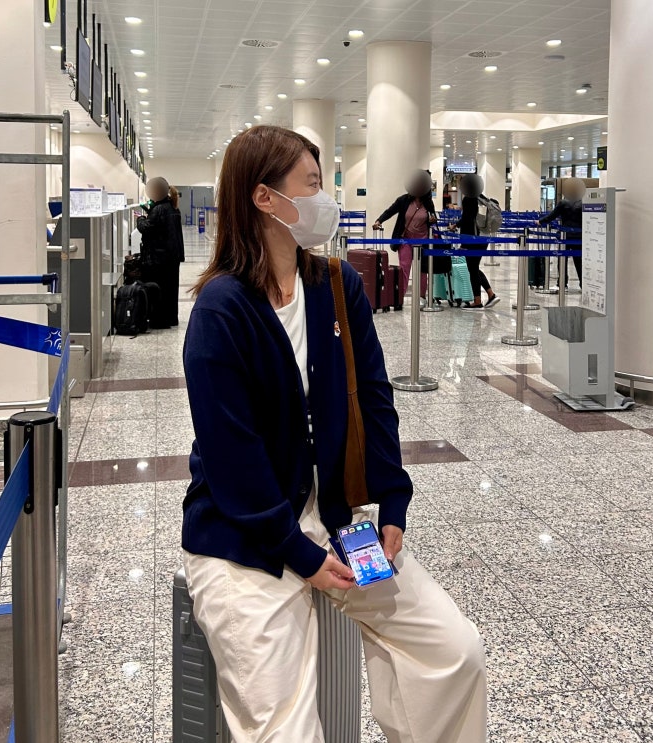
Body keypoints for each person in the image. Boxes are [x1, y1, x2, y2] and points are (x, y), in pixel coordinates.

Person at [182, 124, 487, 743]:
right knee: (284, 727)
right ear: (265, 198)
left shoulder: (336, 287)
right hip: (248, 538)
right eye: (313, 185)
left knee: (454, 652)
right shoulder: (222, 309)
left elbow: (374, 400)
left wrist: (392, 501)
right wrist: (298, 554)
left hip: (339, 524)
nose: (327, 200)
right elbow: (231, 456)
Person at [371, 170, 447, 300]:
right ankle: (400, 296)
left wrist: (433, 220)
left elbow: (432, 220)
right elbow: (390, 211)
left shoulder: (428, 203)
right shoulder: (403, 200)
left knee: (423, 271)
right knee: (404, 268)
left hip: (423, 241)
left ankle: (421, 297)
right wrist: (379, 221)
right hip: (405, 240)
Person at [136, 176, 185, 327]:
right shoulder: (173, 207)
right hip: (173, 256)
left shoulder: (159, 209)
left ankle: (159, 320)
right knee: (171, 289)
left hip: (159, 257)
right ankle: (171, 318)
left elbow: (146, 228)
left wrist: (140, 219)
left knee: (159, 288)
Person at [450, 174, 500, 310]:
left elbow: (467, 220)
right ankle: (490, 295)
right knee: (474, 267)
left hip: (472, 239)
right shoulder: (481, 198)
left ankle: (479, 300)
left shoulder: (469, 199)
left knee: (472, 268)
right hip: (483, 238)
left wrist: (463, 241)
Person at [538, 177, 584, 290]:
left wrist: (540, 221)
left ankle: (562, 282)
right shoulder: (583, 203)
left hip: (564, 236)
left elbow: (552, 216)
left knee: (562, 259)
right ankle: (583, 283)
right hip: (579, 236)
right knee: (578, 260)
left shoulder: (563, 203)